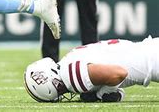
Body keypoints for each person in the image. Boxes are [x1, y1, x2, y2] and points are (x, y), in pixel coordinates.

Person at [24, 36, 159, 103]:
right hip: (151, 50)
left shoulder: (69, 75)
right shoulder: (67, 61)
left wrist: (101, 94)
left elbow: (118, 73)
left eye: (58, 92)